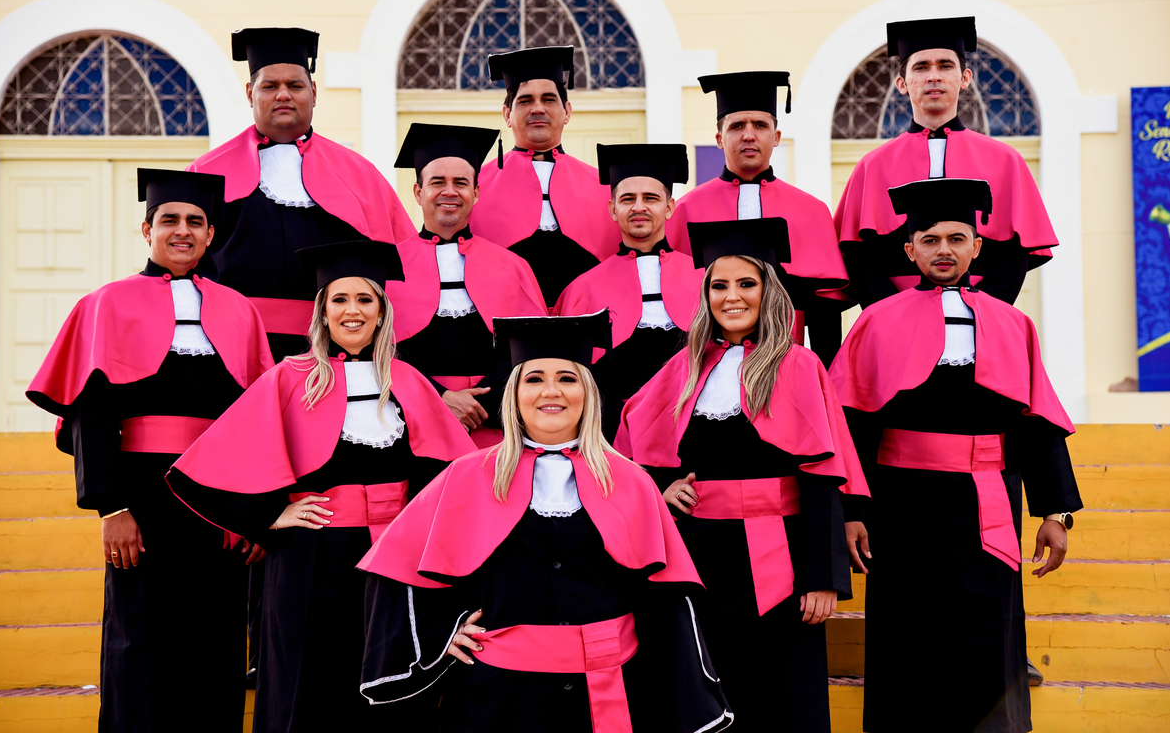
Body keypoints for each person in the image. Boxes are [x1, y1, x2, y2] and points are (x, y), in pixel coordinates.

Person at [357, 311, 733, 733]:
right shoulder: (465, 476)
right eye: (534, 379)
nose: (550, 391)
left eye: (567, 379)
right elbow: (396, 570)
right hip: (496, 705)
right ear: (514, 394)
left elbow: (666, 603)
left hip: (609, 698)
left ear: (587, 392)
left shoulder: (632, 482)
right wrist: (444, 635)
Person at [166, 240, 474, 732]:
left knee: (383, 691)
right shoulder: (289, 378)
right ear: (323, 313)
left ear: (381, 312)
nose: (352, 311)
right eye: (340, 300)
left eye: (365, 299)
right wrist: (269, 517)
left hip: (393, 559)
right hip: (309, 559)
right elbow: (205, 469)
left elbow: (453, 479)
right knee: (304, 689)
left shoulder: (410, 381)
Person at [829, 178, 1082, 732]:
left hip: (987, 498)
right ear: (910, 250)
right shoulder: (876, 321)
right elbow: (850, 424)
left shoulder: (1014, 323)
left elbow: (1037, 422)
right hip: (900, 501)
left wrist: (1055, 512)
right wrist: (852, 510)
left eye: (956, 238)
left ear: (976, 247)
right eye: (930, 239)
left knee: (989, 632)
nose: (943, 250)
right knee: (906, 632)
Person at [26, 169, 274, 733]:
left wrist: (253, 513)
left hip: (217, 501)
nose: (182, 231)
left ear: (211, 234)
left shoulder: (239, 310)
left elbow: (257, 420)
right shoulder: (106, 304)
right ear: (147, 229)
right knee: (138, 643)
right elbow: (90, 414)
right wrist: (111, 507)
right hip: (140, 496)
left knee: (216, 642)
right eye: (169, 220)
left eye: (195, 222)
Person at [616, 218, 869, 732]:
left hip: (782, 554)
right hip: (699, 553)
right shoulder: (684, 367)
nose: (731, 297)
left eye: (746, 283)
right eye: (719, 286)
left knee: (784, 693)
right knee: (709, 686)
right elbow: (632, 446)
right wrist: (662, 489)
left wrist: (822, 579)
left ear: (768, 291)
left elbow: (822, 475)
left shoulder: (798, 364)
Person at [188, 27, 415, 361]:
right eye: (269, 86)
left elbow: (403, 266)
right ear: (250, 93)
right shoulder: (206, 173)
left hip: (337, 351)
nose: (283, 95)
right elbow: (181, 265)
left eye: (295, 86)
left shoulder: (361, 175)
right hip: (231, 346)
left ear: (313, 92)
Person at [832, 16, 1058, 308]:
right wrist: (893, 316)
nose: (933, 76)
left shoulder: (1006, 161)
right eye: (921, 67)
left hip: (982, 313)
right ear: (902, 83)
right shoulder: (872, 166)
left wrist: (978, 313)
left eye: (945, 65)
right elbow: (859, 257)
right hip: (894, 316)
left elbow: (1015, 255)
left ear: (965, 78)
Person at [667, 71, 850, 366]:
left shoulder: (811, 210)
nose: (748, 135)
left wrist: (824, 377)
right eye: (737, 126)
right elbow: (677, 304)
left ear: (776, 137)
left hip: (785, 359)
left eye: (760, 125)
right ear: (719, 139)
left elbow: (824, 312)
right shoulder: (687, 210)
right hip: (708, 362)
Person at [390, 123, 548, 446]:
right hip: (414, 428)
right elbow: (379, 354)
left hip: (496, 428)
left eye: (461, 183)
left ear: (475, 193)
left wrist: (478, 406)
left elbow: (533, 351)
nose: (449, 191)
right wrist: (440, 399)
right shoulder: (388, 269)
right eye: (437, 182)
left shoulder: (513, 267)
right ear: (418, 192)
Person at [556, 143, 702, 440]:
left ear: (669, 207)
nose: (638, 207)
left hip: (693, 424)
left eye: (650, 198)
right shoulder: (582, 288)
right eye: (627, 199)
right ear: (613, 210)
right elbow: (577, 375)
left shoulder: (706, 278)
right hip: (614, 431)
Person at [468, 46, 620, 307]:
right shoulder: (475, 187)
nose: (537, 109)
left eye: (549, 99)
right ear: (507, 115)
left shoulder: (604, 186)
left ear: (567, 112)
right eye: (525, 101)